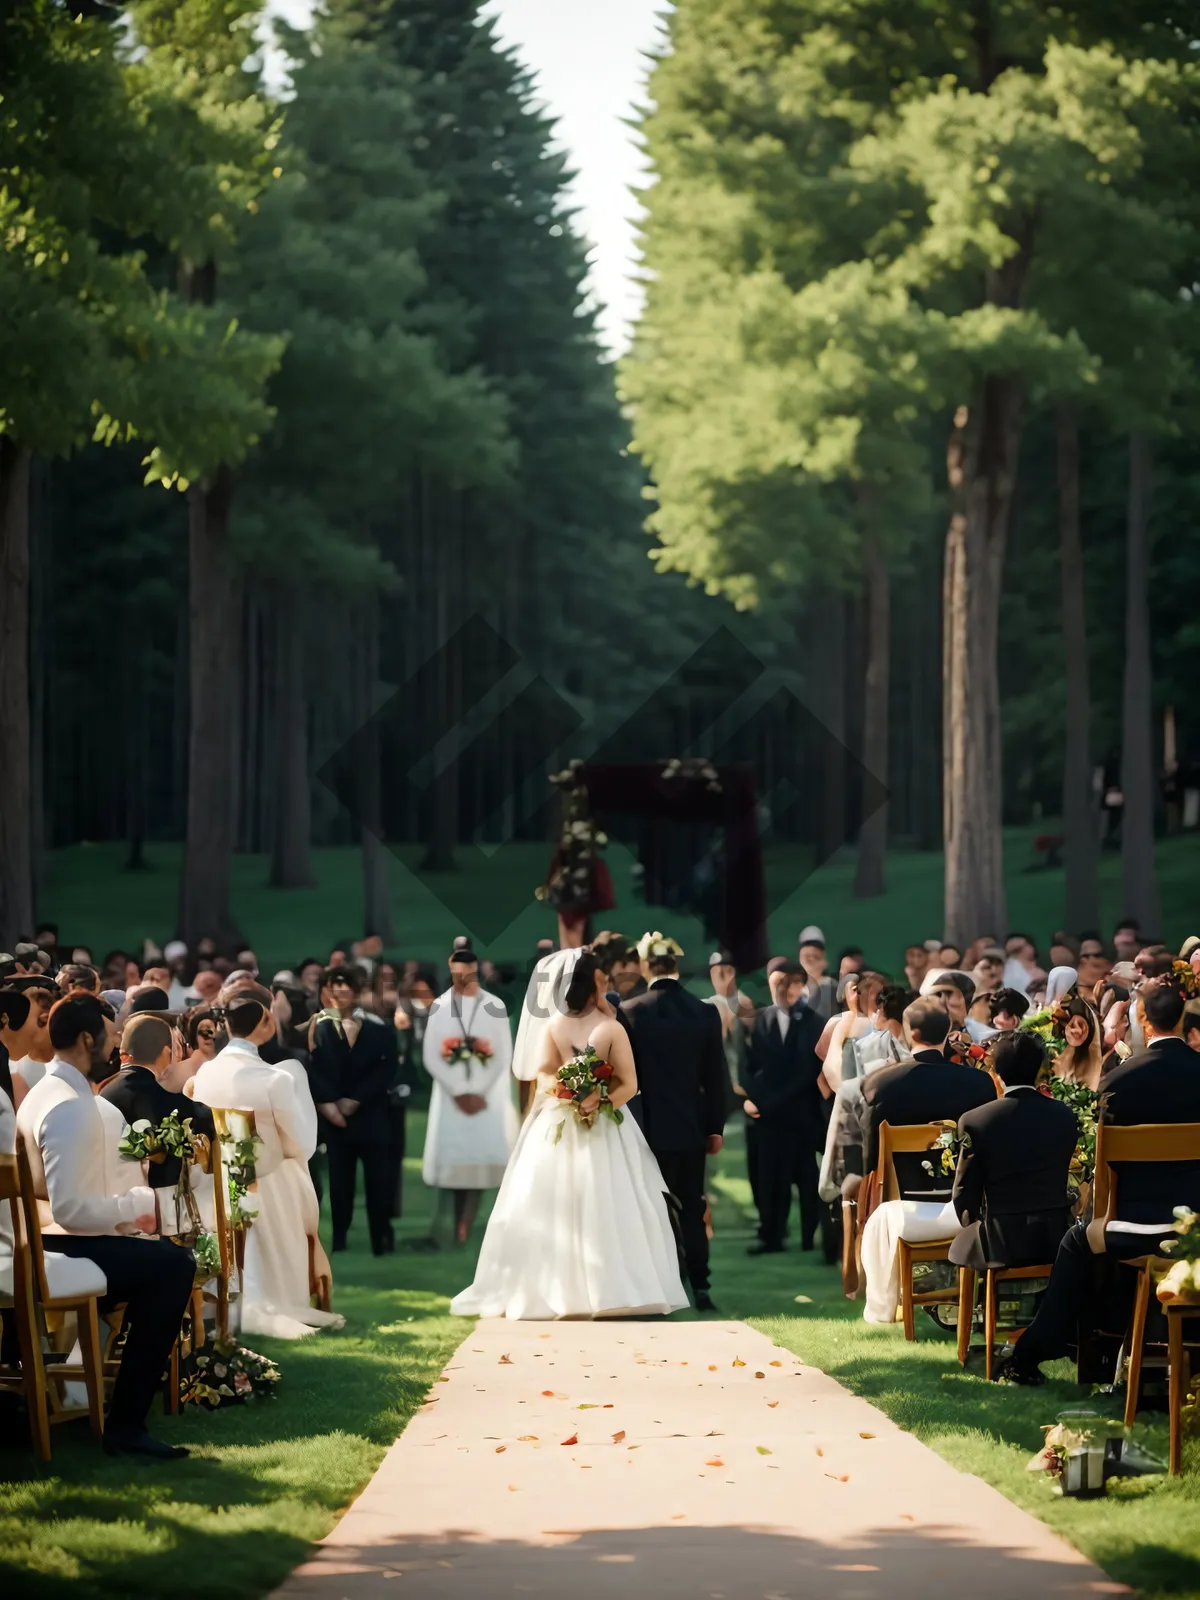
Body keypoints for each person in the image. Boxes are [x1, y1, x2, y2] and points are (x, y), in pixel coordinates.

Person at [450, 949, 687, 1319]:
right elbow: (615, 1082)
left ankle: (579, 1289)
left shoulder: (573, 1027)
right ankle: (598, 1288)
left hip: (581, 1121)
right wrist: (585, 1098)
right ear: (593, 983)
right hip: (584, 1122)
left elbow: (563, 1077)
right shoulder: (594, 1027)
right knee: (588, 1202)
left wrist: (586, 1099)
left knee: (585, 1200)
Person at [15, 993, 195, 1459]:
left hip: (47, 1239)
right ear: (86, 1039)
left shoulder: (50, 1092)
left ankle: (90, 1393)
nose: (117, 1051)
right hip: (57, 1245)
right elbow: (72, 1208)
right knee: (174, 1266)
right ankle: (126, 1425)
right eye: (112, 1039)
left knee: (154, 1260)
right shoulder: (69, 1104)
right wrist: (133, 1205)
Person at [1005, 975, 1200, 1385]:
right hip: (1194, 1230)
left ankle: (1047, 1351)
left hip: (1130, 1229)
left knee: (1078, 1241)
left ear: (1144, 1022)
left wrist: (1104, 1212)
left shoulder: (1119, 1080)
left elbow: (1106, 1164)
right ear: (1183, 1019)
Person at [193, 997, 342, 1339]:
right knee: (292, 1171)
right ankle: (285, 1292)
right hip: (266, 1183)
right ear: (265, 1026)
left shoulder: (205, 1072)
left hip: (217, 1181)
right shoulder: (274, 1079)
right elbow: (302, 1144)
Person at [620, 933, 728, 1310]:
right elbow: (716, 1077)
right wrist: (715, 1127)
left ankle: (663, 1284)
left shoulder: (631, 1011)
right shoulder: (704, 1012)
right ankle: (701, 1285)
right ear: (676, 967)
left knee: (652, 1209)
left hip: (647, 1129)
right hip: (691, 1128)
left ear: (647, 967)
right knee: (693, 1208)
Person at [948, 1032, 1078, 1274]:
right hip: (1055, 1238)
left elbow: (965, 1192)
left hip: (1001, 1243)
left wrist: (972, 1223)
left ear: (996, 1072)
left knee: (963, 1244)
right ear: (1039, 1068)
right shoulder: (1064, 1115)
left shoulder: (975, 1120)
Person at [421, 946, 517, 1245]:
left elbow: (503, 1054)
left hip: (486, 1098)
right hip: (452, 1098)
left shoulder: (495, 1006)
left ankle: (467, 1223)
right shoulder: (439, 1006)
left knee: (479, 1161)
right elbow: (431, 1056)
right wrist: (460, 1091)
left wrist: (478, 1091)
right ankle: (449, 1224)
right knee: (454, 1160)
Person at [311, 966, 403, 1254]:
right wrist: (332, 1103)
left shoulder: (378, 1029)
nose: (339, 995)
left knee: (379, 1181)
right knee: (340, 1183)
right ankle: (339, 1239)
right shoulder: (318, 1029)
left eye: (345, 989)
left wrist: (357, 1099)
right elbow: (314, 1069)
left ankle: (382, 1239)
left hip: (372, 1115)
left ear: (355, 991)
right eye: (333, 990)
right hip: (336, 1122)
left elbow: (387, 1068)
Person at [861, 998, 997, 1190]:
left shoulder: (879, 1083)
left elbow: (870, 1155)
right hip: (962, 1196)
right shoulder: (979, 1082)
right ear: (948, 1029)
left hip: (898, 1196)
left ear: (913, 1033)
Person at [101, 1015, 216, 1228]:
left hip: (108, 1202)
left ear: (123, 1051)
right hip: (158, 1214)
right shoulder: (169, 1102)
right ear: (166, 1053)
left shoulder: (103, 1092)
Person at [742, 959, 825, 1255]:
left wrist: (773, 1102)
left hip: (801, 1117)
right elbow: (747, 1066)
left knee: (805, 1180)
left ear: (799, 986)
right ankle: (772, 1236)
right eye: (776, 983)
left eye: (787, 983)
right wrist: (755, 1098)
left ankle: (808, 1238)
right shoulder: (761, 1019)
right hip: (767, 1119)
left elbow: (807, 1070)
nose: (781, 989)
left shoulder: (813, 1022)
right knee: (769, 1179)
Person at [796, 926, 836, 1020]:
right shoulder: (793, 988)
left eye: (816, 949)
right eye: (806, 947)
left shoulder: (831, 985)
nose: (811, 952)